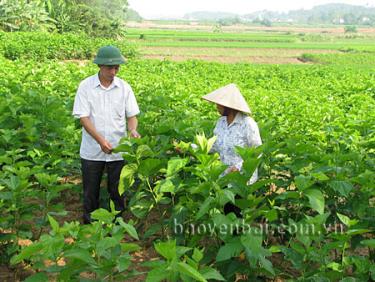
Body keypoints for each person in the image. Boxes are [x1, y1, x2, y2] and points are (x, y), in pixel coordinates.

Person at [72, 45, 141, 224]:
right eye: (110, 67)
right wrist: (101, 140)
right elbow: (84, 118)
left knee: (117, 190)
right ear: (100, 66)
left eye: (117, 67)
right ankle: (90, 224)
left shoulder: (124, 88)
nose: (114, 71)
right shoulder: (86, 87)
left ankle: (117, 224)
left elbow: (131, 116)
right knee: (90, 191)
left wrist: (133, 130)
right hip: (92, 150)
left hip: (118, 149)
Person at [203, 83, 262, 183]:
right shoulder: (221, 122)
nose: (217, 106)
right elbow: (214, 145)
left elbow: (257, 151)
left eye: (219, 104)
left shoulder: (247, 123)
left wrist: (239, 167)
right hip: (223, 178)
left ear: (228, 106)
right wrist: (189, 148)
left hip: (243, 179)